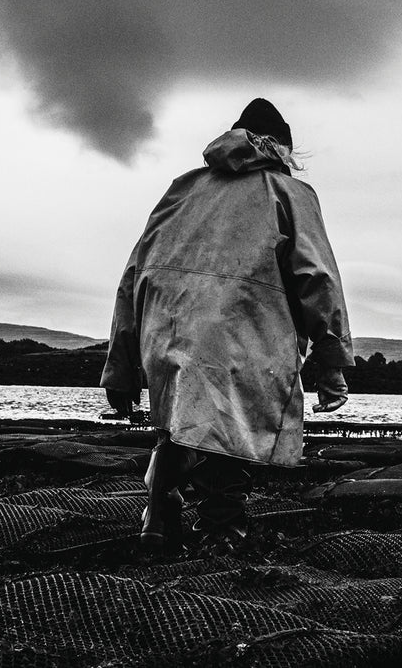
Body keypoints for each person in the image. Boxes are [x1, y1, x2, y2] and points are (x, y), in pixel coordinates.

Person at [100, 98, 352, 550]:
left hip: (166, 327)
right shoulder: (289, 193)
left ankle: (157, 518)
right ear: (284, 150)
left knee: (179, 423)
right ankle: (221, 533)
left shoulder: (181, 190)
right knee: (224, 432)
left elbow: (134, 275)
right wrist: (331, 363)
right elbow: (317, 278)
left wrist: (120, 370)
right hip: (241, 332)